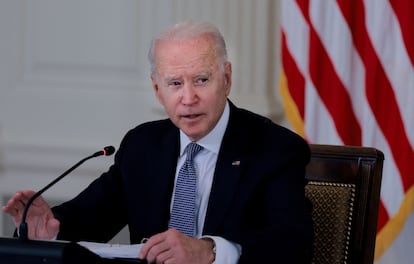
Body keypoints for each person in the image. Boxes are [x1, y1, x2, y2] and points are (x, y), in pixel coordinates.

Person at [2, 21, 313, 263]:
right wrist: (51, 229)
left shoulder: (274, 148)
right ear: (157, 89)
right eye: (175, 84)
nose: (188, 98)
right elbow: (91, 217)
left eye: (202, 80)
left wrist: (209, 252)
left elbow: (293, 245)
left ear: (227, 78)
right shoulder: (143, 145)